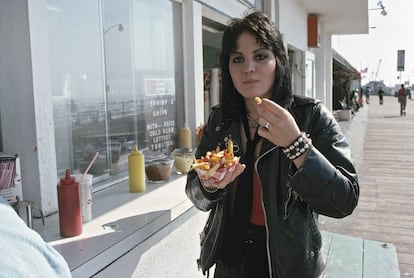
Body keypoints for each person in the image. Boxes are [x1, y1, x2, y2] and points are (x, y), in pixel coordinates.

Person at [185, 12, 359, 278]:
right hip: (228, 259)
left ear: (279, 61)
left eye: (261, 55)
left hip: (285, 263)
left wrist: (296, 145)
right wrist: (209, 184)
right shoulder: (221, 120)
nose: (248, 68)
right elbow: (195, 191)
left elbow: (345, 200)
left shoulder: (310, 116)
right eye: (238, 59)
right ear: (228, 67)